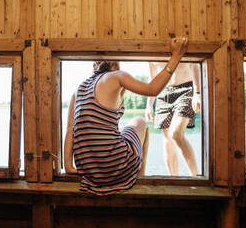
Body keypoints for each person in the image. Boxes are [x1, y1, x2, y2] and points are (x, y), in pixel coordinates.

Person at [64, 37, 188, 195]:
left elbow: (70, 130)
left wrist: (68, 166)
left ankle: (134, 174)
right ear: (115, 62)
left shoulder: (78, 89)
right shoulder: (117, 76)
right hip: (116, 167)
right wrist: (176, 56)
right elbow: (152, 89)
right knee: (140, 122)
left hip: (90, 174)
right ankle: (140, 177)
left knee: (121, 128)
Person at [145, 61, 201, 176]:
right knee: (167, 139)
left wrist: (197, 93)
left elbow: (195, 65)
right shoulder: (152, 51)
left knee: (175, 134)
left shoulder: (178, 44)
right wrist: (149, 105)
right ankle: (173, 178)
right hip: (163, 93)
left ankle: (196, 178)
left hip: (185, 90)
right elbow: (153, 78)